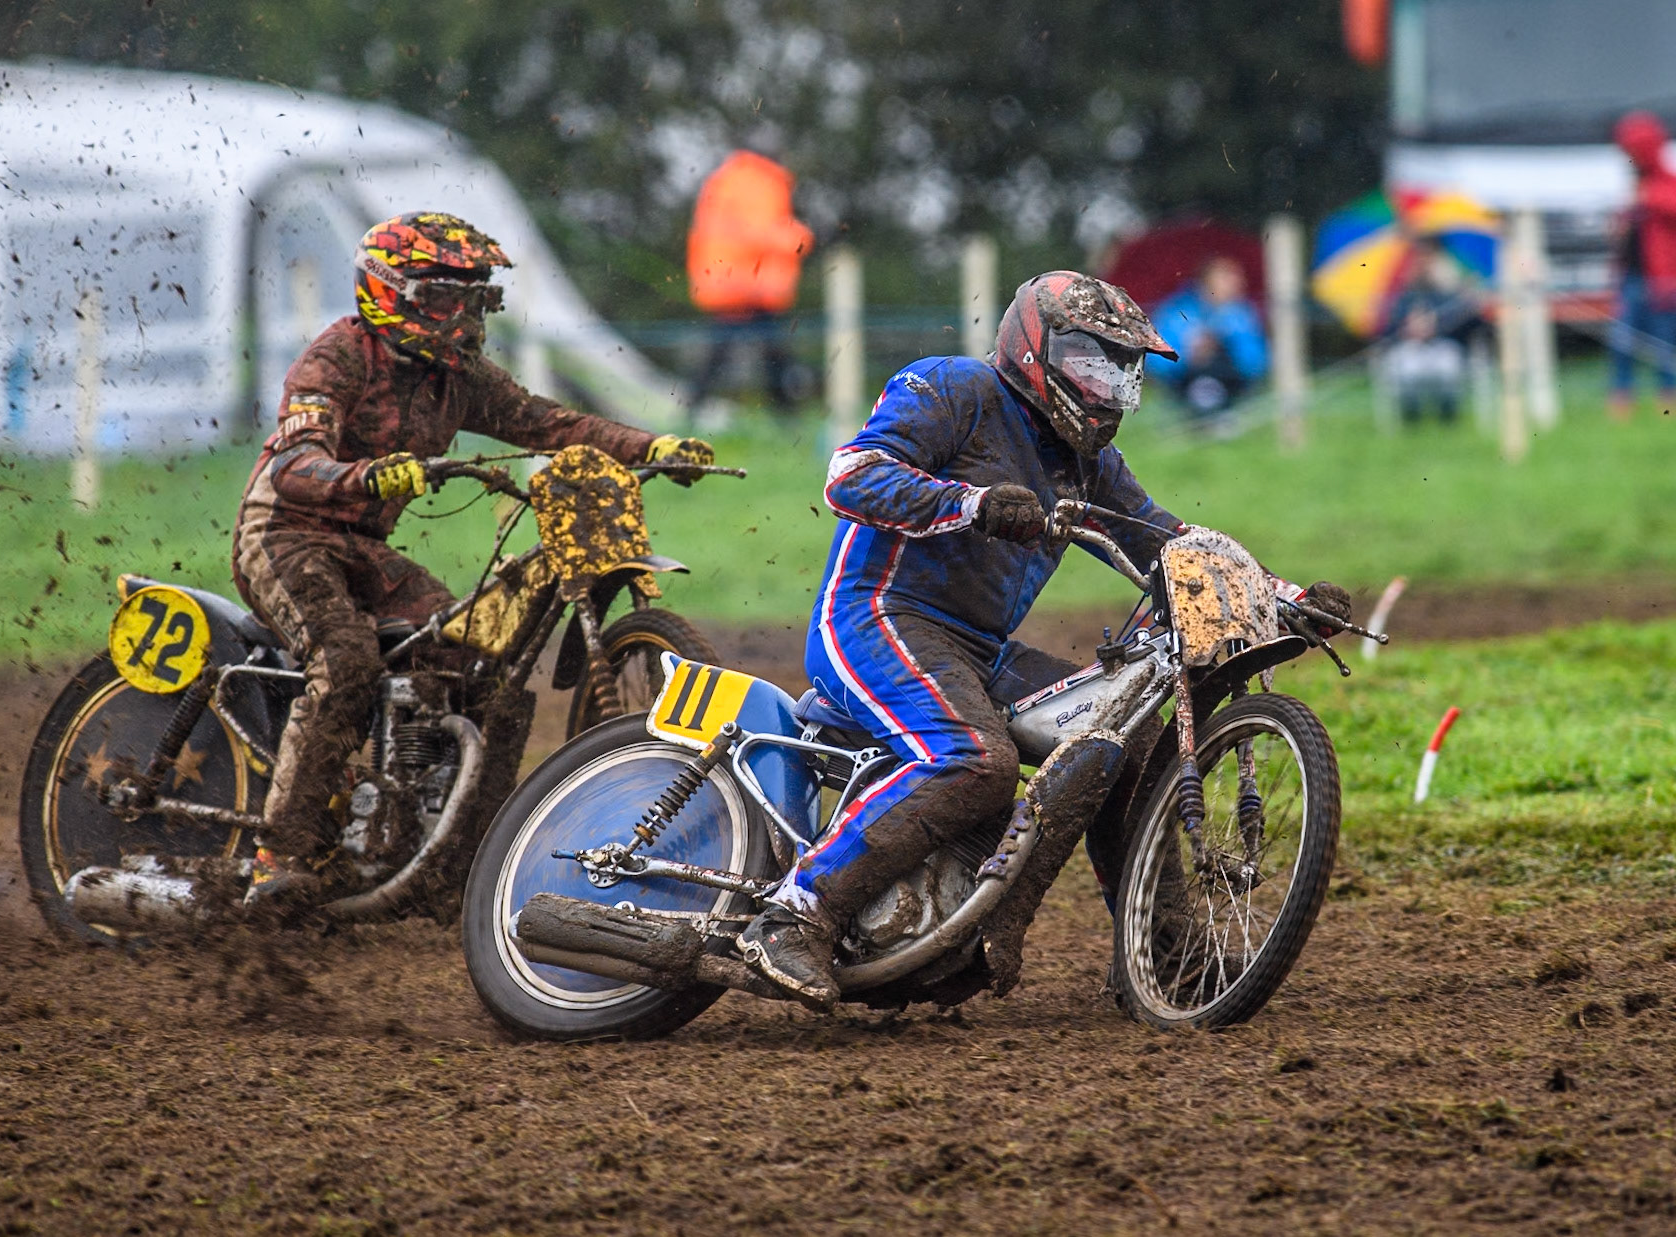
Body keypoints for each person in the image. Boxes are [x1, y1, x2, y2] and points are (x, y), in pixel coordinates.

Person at [734, 271, 1349, 1009]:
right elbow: (850, 474)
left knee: (1134, 742)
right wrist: (973, 504)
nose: (1107, 388)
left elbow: (1173, 544)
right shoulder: (953, 390)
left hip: (977, 652)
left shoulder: (1086, 465)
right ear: (1037, 349)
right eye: (1093, 365)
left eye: (1122, 373)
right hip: (874, 616)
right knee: (975, 759)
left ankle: (1165, 950)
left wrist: (1285, 596)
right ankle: (792, 914)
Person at [232, 211, 714, 903]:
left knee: (471, 656)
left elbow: (550, 422)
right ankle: (279, 855)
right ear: (389, 292)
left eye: (476, 299)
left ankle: (444, 856)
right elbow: (293, 462)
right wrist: (364, 475)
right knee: (346, 661)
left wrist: (651, 447)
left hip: (362, 549)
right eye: (443, 300)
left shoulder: (458, 377)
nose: (462, 318)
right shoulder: (337, 356)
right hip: (283, 535)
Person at [683, 148, 815, 416]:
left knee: (729, 354)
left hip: (728, 284)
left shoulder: (727, 179)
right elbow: (761, 231)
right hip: (750, 287)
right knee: (770, 354)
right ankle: (787, 417)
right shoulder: (760, 183)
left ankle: (691, 412)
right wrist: (801, 238)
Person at [1146, 256, 1269, 428]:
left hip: (1232, 380)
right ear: (1206, 282)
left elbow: (1256, 361)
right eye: (1226, 277)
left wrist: (1226, 344)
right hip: (1185, 381)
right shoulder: (1177, 312)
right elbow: (1157, 360)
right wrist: (1188, 353)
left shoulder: (1242, 314)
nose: (1235, 283)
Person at [1608, 111, 1676, 421]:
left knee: (1664, 342)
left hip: (1662, 278)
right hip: (1631, 277)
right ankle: (1622, 399)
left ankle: (1668, 401)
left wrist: (1647, 199)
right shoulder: (1635, 186)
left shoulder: (1664, 183)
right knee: (1622, 340)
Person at [1381, 240, 1483, 425]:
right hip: (1411, 348)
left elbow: (1466, 326)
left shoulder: (1449, 295)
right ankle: (1412, 416)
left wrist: (1436, 326)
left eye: (1428, 259)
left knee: (1448, 365)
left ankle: (1448, 415)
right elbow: (1386, 330)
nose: (1423, 265)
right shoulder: (1401, 298)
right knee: (1406, 368)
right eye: (1419, 260)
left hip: (1441, 346)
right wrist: (1408, 328)